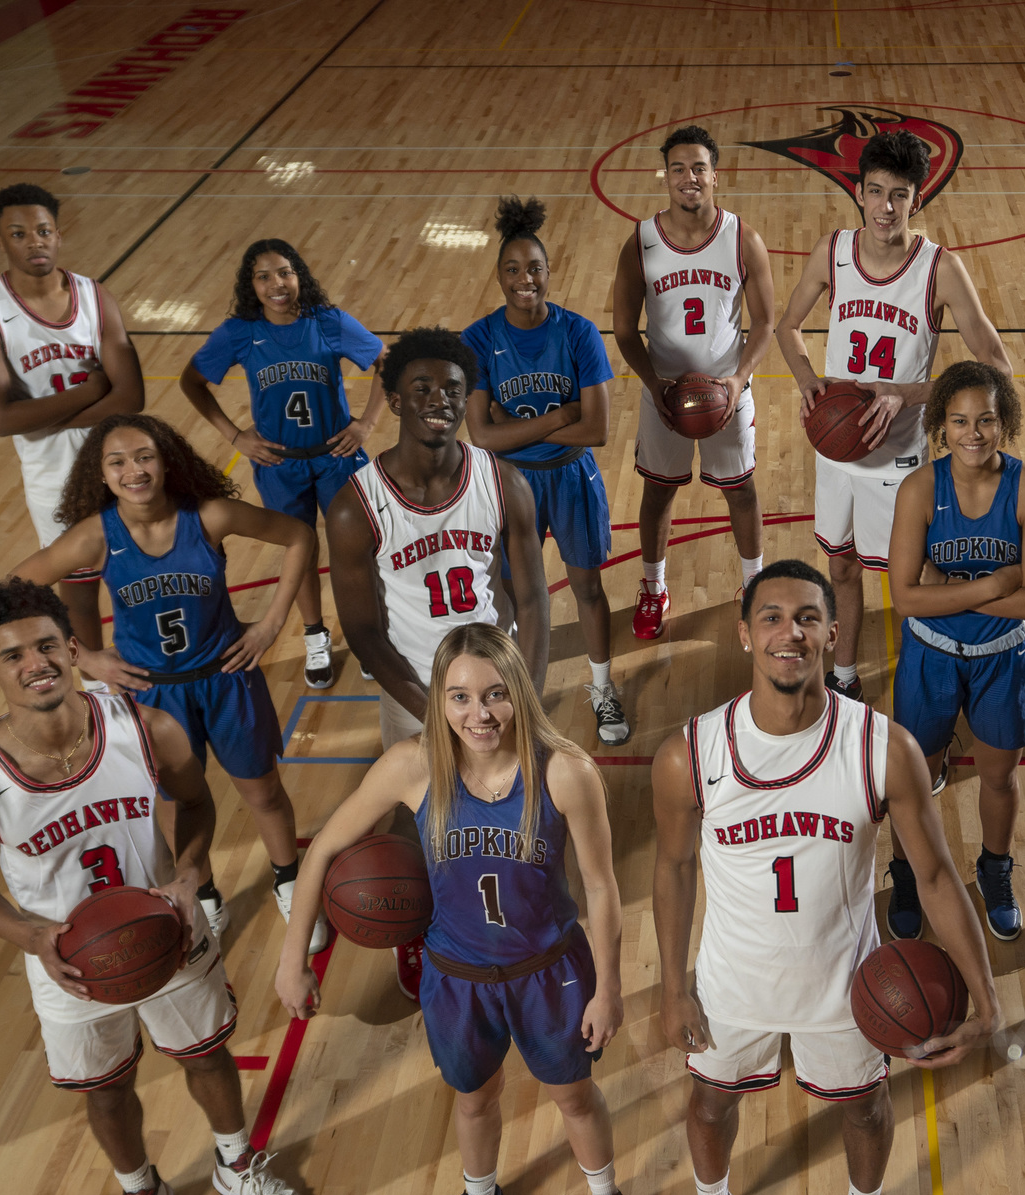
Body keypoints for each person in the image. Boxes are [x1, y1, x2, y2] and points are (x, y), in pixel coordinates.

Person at [0, 579, 309, 1195]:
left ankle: (235, 1162)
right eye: (13, 655)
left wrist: (191, 873)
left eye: (46, 645)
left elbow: (195, 802)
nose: (35, 663)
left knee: (207, 1055)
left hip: (167, 930)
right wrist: (29, 934)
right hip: (69, 962)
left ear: (72, 647)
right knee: (106, 1089)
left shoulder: (143, 725)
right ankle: (142, 1194)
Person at [650, 560, 1002, 1195]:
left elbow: (937, 877)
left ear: (833, 633)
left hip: (845, 984)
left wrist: (987, 994)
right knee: (709, 1106)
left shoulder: (882, 747)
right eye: (771, 617)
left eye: (808, 617)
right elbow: (674, 866)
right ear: (745, 634)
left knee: (867, 1109)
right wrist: (674, 982)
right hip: (732, 980)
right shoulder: (692, 753)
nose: (791, 632)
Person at [274, 624, 637, 1195]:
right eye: (462, 697)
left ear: (519, 693)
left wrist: (608, 987)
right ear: (438, 700)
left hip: (548, 972)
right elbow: (322, 848)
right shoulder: (413, 766)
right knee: (473, 1101)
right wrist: (292, 956)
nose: (481, 713)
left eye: (496, 694)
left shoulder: (565, 771)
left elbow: (603, 887)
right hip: (457, 978)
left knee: (573, 1096)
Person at [12, 413, 325, 952]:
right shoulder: (95, 536)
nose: (133, 471)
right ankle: (200, 892)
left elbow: (298, 535)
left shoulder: (208, 516)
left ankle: (288, 879)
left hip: (225, 679)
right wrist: (85, 657)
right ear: (101, 474)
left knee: (264, 791)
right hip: (153, 694)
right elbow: (17, 590)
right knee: (179, 802)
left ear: (167, 461)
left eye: (144, 457)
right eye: (117, 462)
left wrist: (272, 624)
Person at [326, 326, 549, 1001]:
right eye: (421, 389)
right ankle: (418, 928)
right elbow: (363, 630)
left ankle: (521, 900)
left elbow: (535, 594)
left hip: (498, 676)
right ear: (392, 399)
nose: (438, 401)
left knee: (519, 800)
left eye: (452, 389)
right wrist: (432, 708)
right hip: (413, 683)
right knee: (420, 811)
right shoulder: (354, 506)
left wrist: (525, 690)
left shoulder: (502, 481)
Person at [775, 132, 1011, 700]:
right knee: (841, 570)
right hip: (836, 448)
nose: (885, 207)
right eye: (875, 191)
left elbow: (997, 369)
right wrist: (809, 381)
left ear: (917, 201)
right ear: (857, 193)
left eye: (898, 195)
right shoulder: (832, 252)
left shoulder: (939, 269)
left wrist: (910, 393)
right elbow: (787, 327)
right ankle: (846, 677)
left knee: (913, 586)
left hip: (898, 459)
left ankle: (932, 685)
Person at [883, 362, 1025, 943]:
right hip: (930, 654)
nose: (973, 433)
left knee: (999, 777)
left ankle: (994, 869)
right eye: (959, 421)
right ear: (940, 424)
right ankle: (907, 870)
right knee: (914, 776)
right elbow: (905, 598)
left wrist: (946, 594)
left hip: (1003, 656)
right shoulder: (920, 489)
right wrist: (989, 586)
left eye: (985, 419)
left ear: (1004, 420)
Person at [179, 237, 387, 688]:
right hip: (279, 464)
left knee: (357, 550)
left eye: (285, 273)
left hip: (336, 458)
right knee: (302, 551)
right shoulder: (239, 333)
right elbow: (191, 381)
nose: (277, 284)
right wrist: (235, 436)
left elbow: (386, 363)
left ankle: (366, 635)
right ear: (250, 285)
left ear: (300, 276)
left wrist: (366, 424)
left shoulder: (328, 323)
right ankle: (315, 636)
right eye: (264, 276)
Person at [461, 198, 625, 746]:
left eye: (534, 268)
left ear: (550, 273)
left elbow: (597, 430)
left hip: (572, 476)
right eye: (513, 269)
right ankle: (509, 697)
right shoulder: (479, 340)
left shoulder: (578, 333)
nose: (524, 279)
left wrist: (522, 425)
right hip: (511, 485)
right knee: (512, 596)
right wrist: (560, 415)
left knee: (587, 589)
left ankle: (602, 689)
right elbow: (481, 436)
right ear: (499, 277)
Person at [0, 184, 145, 652]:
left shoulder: (93, 295)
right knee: (78, 587)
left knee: (144, 574)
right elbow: (2, 419)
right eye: (18, 234)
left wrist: (50, 417)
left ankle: (156, 665)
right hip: (53, 474)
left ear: (58, 235)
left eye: (43, 231)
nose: (34, 242)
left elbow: (131, 396)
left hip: (118, 461)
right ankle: (101, 689)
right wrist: (89, 389)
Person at [611, 124, 778, 639]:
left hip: (727, 390)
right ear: (666, 177)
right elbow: (623, 328)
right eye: (679, 168)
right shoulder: (641, 242)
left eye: (699, 168)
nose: (690, 178)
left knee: (742, 492)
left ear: (715, 175)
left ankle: (754, 588)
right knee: (658, 494)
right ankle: (654, 588)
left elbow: (766, 322)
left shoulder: (742, 238)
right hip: (663, 393)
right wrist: (653, 383)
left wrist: (737, 380)